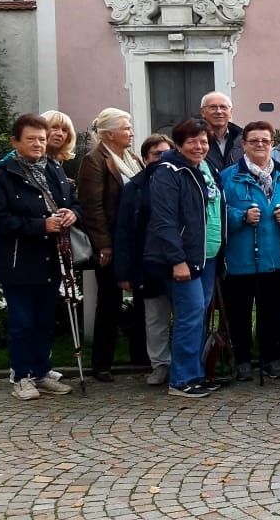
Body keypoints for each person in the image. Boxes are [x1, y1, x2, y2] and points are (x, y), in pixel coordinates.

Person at [0, 114, 79, 400]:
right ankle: (21, 375)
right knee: (22, 321)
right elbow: (0, 219)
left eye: (41, 138)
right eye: (31, 139)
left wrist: (73, 213)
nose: (38, 144)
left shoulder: (54, 168)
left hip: (52, 258)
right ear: (15, 142)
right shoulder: (3, 176)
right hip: (18, 260)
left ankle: (41, 370)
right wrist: (40, 225)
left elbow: (71, 201)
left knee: (44, 320)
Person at [221, 121, 280, 382]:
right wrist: (240, 216)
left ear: (272, 143)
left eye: (265, 140)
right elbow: (215, 213)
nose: (260, 145)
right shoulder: (228, 177)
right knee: (239, 313)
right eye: (254, 141)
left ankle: (272, 357)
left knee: (275, 312)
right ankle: (243, 359)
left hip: (279, 258)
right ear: (244, 145)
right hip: (241, 259)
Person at [144, 119, 221, 398]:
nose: (199, 146)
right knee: (189, 316)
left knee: (199, 316)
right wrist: (177, 260)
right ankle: (181, 380)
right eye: (192, 141)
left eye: (203, 141)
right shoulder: (169, 171)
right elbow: (164, 221)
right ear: (179, 144)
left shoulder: (207, 168)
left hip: (208, 256)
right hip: (184, 258)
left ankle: (197, 373)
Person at [76, 108, 146, 382]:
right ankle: (101, 363)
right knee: (109, 302)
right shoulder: (95, 161)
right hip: (113, 242)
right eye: (126, 128)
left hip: (135, 241)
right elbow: (92, 207)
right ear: (108, 133)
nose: (131, 132)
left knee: (143, 299)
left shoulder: (132, 158)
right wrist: (104, 245)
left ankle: (140, 354)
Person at [113, 134, 175, 386]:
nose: (161, 159)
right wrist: (123, 271)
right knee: (155, 318)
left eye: (166, 153)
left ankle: (185, 364)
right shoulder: (135, 187)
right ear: (145, 158)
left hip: (179, 260)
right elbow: (124, 230)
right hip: (148, 263)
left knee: (186, 317)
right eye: (156, 154)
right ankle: (160, 365)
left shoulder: (182, 179)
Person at [199, 92, 243, 175]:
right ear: (202, 112)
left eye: (223, 107)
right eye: (213, 107)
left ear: (231, 113)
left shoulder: (243, 139)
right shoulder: (193, 139)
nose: (219, 111)